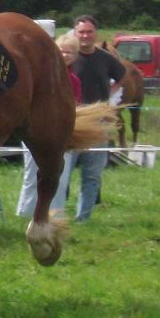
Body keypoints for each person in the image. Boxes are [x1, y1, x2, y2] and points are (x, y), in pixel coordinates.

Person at [16, 32, 83, 217]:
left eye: (70, 52)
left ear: (76, 55)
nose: (65, 55)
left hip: (61, 131)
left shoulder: (74, 81)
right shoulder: (43, 76)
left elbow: (75, 104)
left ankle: (56, 212)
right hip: (36, 129)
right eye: (62, 51)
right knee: (32, 173)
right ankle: (25, 211)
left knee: (60, 174)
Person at [70, 15, 126, 221]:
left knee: (92, 175)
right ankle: (55, 213)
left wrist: (110, 94)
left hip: (98, 123)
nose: (85, 36)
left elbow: (122, 75)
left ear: (96, 34)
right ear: (75, 33)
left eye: (89, 32)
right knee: (62, 173)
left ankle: (83, 218)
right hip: (72, 121)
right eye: (81, 32)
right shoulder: (68, 56)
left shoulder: (105, 58)